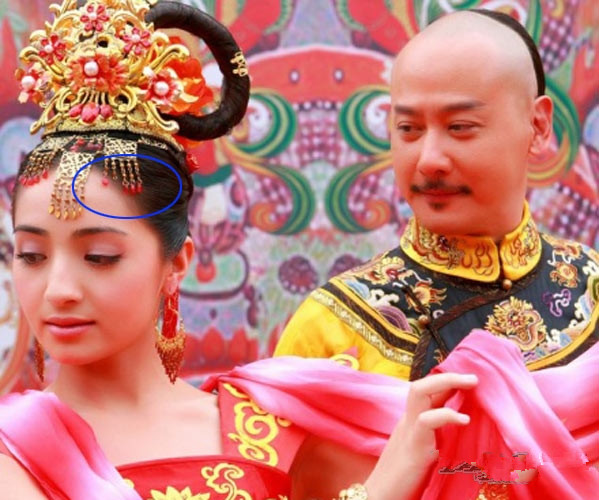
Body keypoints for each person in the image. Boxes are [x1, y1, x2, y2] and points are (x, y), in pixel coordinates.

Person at [0, 1, 493, 499]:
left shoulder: (272, 426)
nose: (58, 290)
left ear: (176, 263)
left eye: (99, 257)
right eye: (32, 256)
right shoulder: (13, 450)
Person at [275, 9, 599, 382]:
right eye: (408, 128)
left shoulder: (589, 287)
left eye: (459, 127)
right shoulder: (331, 329)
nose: (428, 161)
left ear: (537, 126)